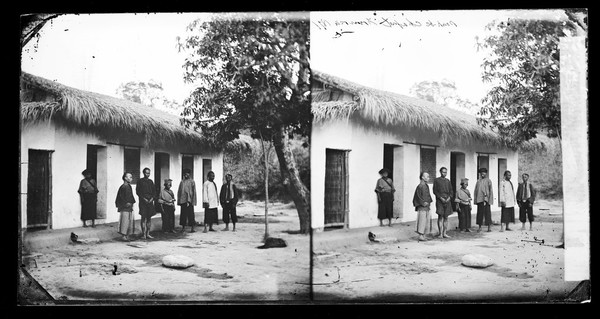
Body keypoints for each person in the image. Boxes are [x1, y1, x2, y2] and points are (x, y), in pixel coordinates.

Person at [433, 167, 454, 238]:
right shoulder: (436, 180)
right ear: (440, 172)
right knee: (440, 216)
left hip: (447, 201)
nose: (444, 173)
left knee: (446, 217)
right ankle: (440, 233)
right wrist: (440, 197)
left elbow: (451, 191)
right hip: (440, 201)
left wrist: (449, 198)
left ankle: (445, 233)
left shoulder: (448, 181)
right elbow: (435, 191)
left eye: (445, 172)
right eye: (443, 172)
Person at [136, 167, 156, 239]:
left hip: (150, 202)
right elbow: (138, 192)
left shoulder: (151, 181)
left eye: (149, 173)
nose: (148, 174)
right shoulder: (140, 181)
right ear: (143, 173)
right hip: (143, 202)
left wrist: (152, 198)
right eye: (146, 173)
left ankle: (148, 233)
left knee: (149, 218)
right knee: (143, 217)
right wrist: (143, 198)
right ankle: (143, 234)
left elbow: (154, 191)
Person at [115, 172, 136, 241]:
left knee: (129, 221)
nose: (131, 178)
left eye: (131, 177)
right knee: (124, 221)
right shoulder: (123, 187)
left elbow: (130, 196)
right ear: (125, 178)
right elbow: (120, 197)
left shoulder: (129, 186)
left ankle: (127, 235)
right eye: (129, 177)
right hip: (124, 206)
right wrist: (126, 203)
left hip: (129, 206)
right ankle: (123, 235)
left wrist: (131, 202)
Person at [413, 172, 433, 241]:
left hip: (427, 206)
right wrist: (422, 202)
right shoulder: (420, 186)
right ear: (422, 177)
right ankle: (420, 235)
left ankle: (424, 235)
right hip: (422, 206)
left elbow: (428, 195)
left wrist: (429, 201)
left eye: (428, 177)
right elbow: (417, 196)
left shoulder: (426, 185)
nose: (428, 178)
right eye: (427, 176)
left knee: (426, 220)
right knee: (422, 220)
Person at [474, 167, 494, 232]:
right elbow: (476, 191)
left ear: (486, 173)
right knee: (480, 213)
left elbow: (491, 191)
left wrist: (489, 200)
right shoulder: (478, 181)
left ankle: (489, 227)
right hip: (480, 200)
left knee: (487, 213)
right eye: (481, 173)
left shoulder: (488, 181)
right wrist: (476, 200)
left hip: (486, 200)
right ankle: (479, 227)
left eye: (484, 173)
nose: (482, 174)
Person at [178, 168, 197, 233]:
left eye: (187, 174)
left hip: (190, 200)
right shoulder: (182, 182)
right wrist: (180, 200)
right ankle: (183, 227)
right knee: (183, 214)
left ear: (189, 174)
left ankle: (192, 228)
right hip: (183, 200)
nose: (186, 175)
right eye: (185, 174)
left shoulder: (192, 182)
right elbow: (180, 191)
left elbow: (193, 192)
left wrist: (191, 200)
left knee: (191, 214)